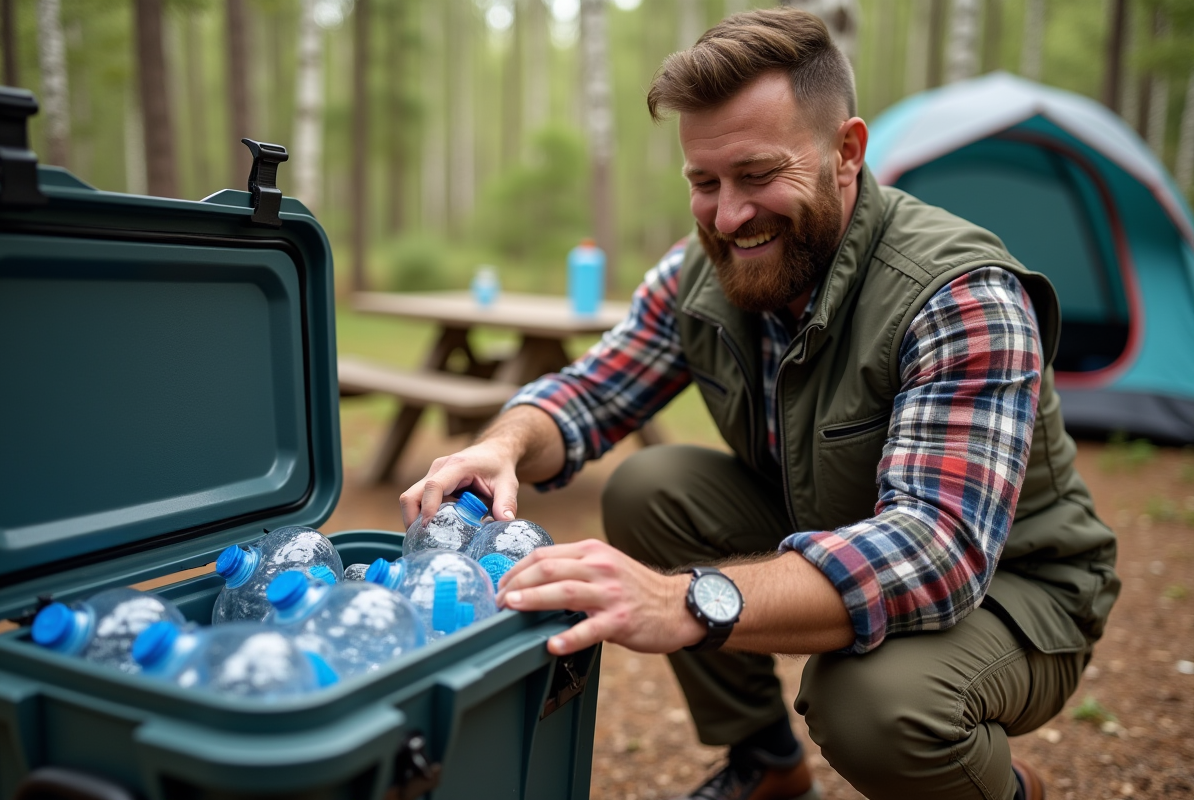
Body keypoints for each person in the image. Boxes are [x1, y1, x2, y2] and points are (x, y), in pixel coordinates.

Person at [401, 9, 1119, 800]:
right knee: (653, 490)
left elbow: (937, 552)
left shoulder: (959, 296)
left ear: (846, 153)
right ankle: (768, 765)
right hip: (840, 522)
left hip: (1017, 587)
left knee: (875, 705)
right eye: (704, 183)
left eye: (757, 175)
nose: (729, 215)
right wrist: (501, 445)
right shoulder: (700, 269)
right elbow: (589, 390)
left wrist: (687, 601)